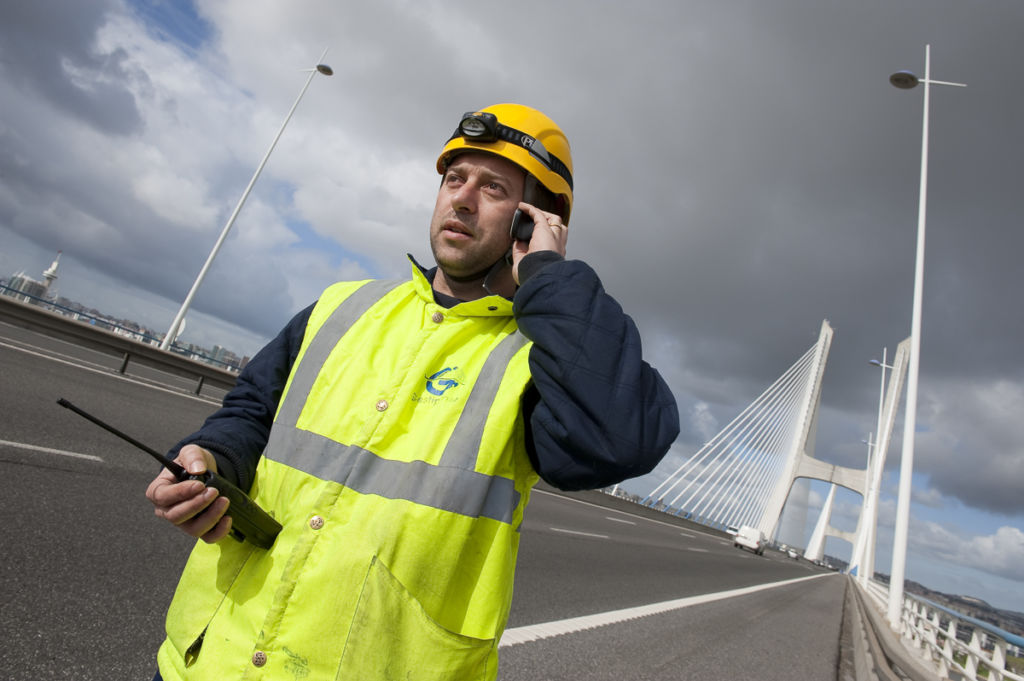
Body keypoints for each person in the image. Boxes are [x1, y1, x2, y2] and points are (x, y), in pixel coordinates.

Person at [146, 103, 679, 681]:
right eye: (455, 180)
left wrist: (550, 275)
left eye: (494, 188)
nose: (462, 199)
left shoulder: (539, 364)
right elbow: (251, 412)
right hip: (207, 662)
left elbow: (619, 439)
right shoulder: (343, 307)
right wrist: (211, 457)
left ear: (535, 219)